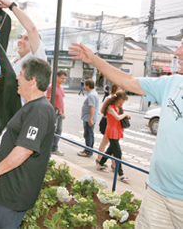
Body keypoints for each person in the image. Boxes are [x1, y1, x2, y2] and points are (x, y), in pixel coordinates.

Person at [70, 39, 183, 228]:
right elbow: (128, 80)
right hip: (156, 193)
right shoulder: (172, 83)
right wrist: (93, 59)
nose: (177, 51)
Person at [0, 57, 55, 228]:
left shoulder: (40, 110)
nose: (16, 78)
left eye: (21, 75)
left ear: (32, 81)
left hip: (12, 193)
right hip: (6, 189)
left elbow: (24, 150)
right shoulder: (32, 106)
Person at [0, 0, 46, 77]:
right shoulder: (14, 61)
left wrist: (12, 6)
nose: (21, 41)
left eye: (26, 38)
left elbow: (32, 28)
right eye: (20, 37)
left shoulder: (37, 58)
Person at [96, 91, 131, 183]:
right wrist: (125, 114)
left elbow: (120, 117)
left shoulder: (118, 107)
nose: (123, 102)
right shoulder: (110, 107)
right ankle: (121, 174)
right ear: (119, 99)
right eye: (123, 100)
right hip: (112, 131)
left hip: (117, 130)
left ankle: (100, 164)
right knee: (118, 153)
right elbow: (117, 117)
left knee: (110, 149)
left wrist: (125, 115)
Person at [97, 84, 122, 168]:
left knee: (110, 143)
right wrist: (110, 114)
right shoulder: (109, 98)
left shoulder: (118, 99)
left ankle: (104, 160)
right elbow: (102, 110)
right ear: (115, 88)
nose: (122, 90)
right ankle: (104, 160)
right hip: (107, 122)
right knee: (108, 142)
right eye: (120, 88)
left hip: (113, 123)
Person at [46, 70, 67, 156]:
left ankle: (55, 147)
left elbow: (62, 101)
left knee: (59, 130)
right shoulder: (51, 87)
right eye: (62, 78)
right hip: (53, 112)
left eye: (65, 79)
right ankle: (49, 148)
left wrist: (63, 112)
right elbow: (48, 99)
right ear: (57, 77)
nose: (63, 80)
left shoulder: (62, 88)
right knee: (52, 130)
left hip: (60, 113)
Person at [77, 79, 99, 157]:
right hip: (88, 117)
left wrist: (90, 119)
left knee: (88, 134)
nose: (84, 87)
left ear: (88, 86)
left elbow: (92, 107)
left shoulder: (91, 95)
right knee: (90, 134)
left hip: (88, 118)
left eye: (85, 85)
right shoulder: (92, 93)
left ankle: (88, 151)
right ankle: (89, 150)